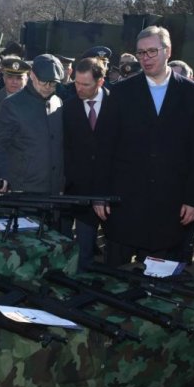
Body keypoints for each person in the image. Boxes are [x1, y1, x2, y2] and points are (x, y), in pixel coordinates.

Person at [100, 26, 194, 267]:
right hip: (125, 204)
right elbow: (106, 145)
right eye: (140, 53)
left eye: (151, 52)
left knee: (160, 284)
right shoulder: (120, 92)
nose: (145, 59)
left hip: (171, 207)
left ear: (168, 51)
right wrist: (100, 196)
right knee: (116, 279)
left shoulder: (192, 93)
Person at [0, 54, 64, 194]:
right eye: (44, 82)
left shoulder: (57, 102)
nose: (48, 87)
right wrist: (1, 178)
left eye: (53, 83)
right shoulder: (12, 104)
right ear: (32, 75)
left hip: (53, 189)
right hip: (24, 189)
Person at [63, 57, 110, 272]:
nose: (79, 89)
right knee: (84, 252)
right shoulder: (68, 108)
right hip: (80, 194)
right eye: (76, 83)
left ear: (101, 82)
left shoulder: (118, 104)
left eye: (85, 84)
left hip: (112, 194)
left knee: (115, 255)